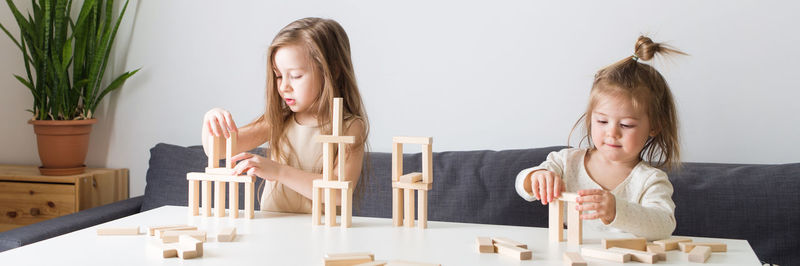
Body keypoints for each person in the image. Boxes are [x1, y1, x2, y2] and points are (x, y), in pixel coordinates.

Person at [515, 36, 685, 240]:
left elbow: (664, 224)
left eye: (626, 125)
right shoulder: (567, 162)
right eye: (602, 122)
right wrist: (536, 177)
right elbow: (521, 184)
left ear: (655, 126)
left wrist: (617, 211)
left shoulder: (649, 181)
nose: (612, 133)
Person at [202, 17, 369, 213]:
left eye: (296, 76)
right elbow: (219, 150)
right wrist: (211, 120)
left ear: (332, 71)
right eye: (278, 76)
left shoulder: (350, 127)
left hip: (322, 236)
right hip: (272, 231)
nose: (283, 87)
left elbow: (340, 193)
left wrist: (278, 171)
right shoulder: (279, 120)